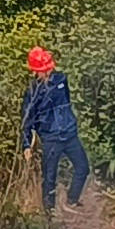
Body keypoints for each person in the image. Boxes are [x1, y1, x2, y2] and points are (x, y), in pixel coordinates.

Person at [21, 46, 88, 216]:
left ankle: (72, 200)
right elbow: (26, 120)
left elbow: (66, 101)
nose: (48, 71)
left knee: (83, 167)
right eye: (44, 69)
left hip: (69, 133)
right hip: (50, 137)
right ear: (36, 71)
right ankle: (48, 212)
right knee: (49, 177)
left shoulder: (61, 80)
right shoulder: (32, 91)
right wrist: (26, 144)